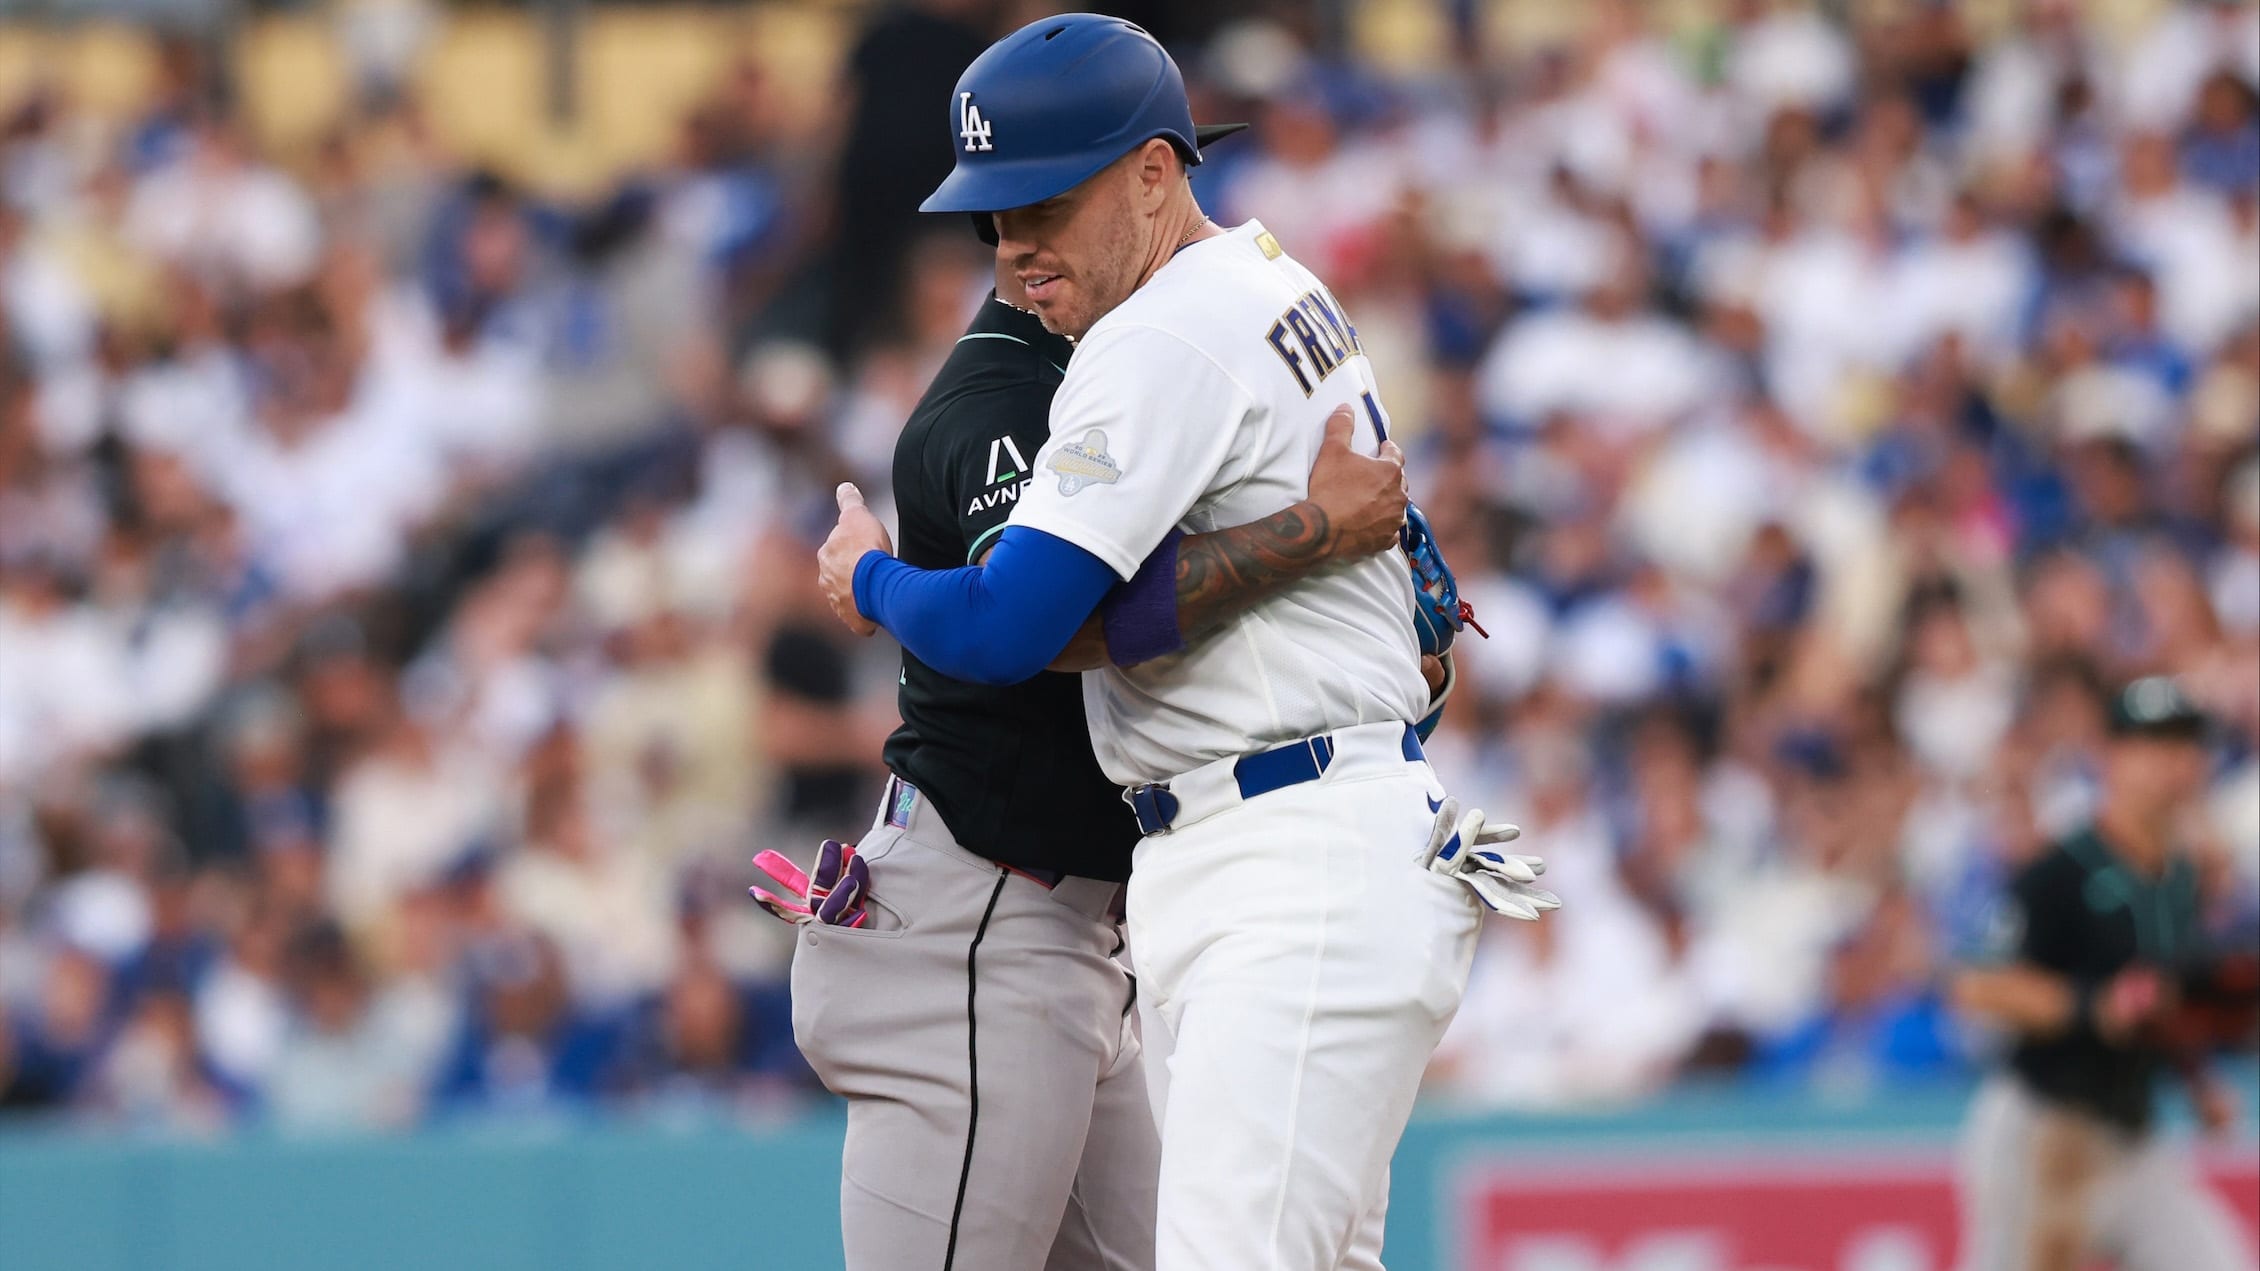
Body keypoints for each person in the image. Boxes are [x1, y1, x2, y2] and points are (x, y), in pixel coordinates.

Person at [813, 15, 1554, 1268]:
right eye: (995, 215)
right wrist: (1313, 534)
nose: (1017, 246)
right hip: (1307, 827)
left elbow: (1002, 625)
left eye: (1046, 201)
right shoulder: (1272, 277)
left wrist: (871, 577)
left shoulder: (1157, 330)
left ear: (1156, 171)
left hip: (1289, 851)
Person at [776, 244, 1436, 1270]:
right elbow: (1023, 622)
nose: (1035, 242)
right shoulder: (1008, 397)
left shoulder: (1156, 351)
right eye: (1019, 215)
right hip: (977, 919)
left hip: (1081, 935)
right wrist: (870, 580)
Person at [1949, 676, 2252, 1271]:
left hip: (2131, 1133)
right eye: (2156, 745)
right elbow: (1978, 984)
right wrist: (2092, 1007)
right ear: (2111, 756)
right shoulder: (2063, 870)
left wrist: (2196, 1083)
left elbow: (2160, 1005)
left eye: (2187, 745)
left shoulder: (2181, 877)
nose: (2177, 764)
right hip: (2045, 1127)